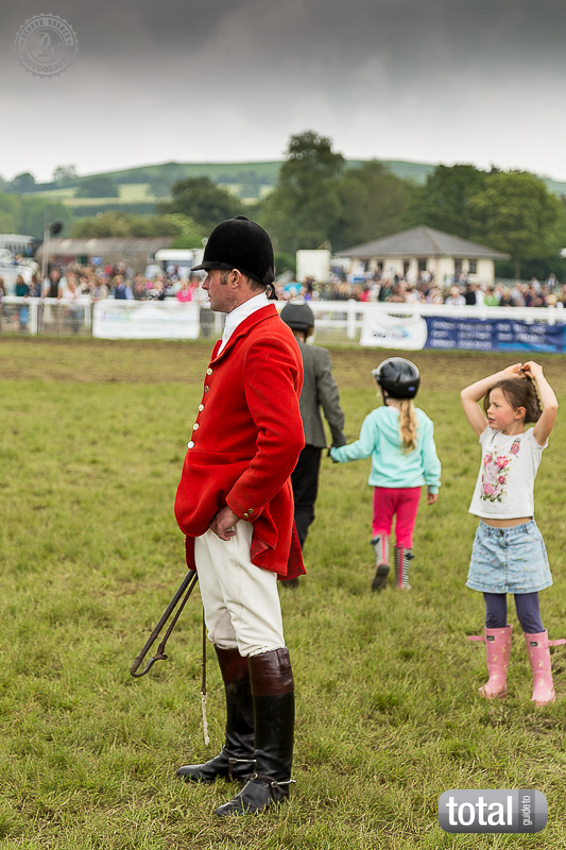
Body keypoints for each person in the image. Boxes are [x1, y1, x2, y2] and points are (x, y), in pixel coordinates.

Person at [173, 216, 305, 817]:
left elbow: (284, 441)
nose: (203, 285)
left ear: (234, 276)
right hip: (214, 511)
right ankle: (240, 752)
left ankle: (272, 779)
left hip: (237, 514)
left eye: (209, 275)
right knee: (225, 628)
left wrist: (237, 504)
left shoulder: (268, 339)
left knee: (258, 633)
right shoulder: (241, 331)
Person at [461, 362, 563, 706]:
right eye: (489, 405)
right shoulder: (487, 436)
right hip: (487, 538)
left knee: (528, 614)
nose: (488, 410)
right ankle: (497, 679)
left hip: (521, 539)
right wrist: (503, 376)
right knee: (493, 613)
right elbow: (466, 395)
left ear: (519, 413)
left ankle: (543, 683)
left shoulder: (532, 441)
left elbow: (551, 407)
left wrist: (538, 375)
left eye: (497, 405)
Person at [330, 358, 441, 592]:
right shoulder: (424, 420)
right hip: (412, 488)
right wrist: (433, 484)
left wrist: (338, 454)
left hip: (384, 487)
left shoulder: (376, 418)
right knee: (405, 532)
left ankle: (382, 561)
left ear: (384, 390)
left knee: (381, 525)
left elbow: (362, 449)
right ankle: (402, 583)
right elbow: (430, 458)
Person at [280, 301, 346, 584]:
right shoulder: (319, 356)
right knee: (303, 504)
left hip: (273, 440)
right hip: (309, 440)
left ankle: (268, 558)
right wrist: (339, 437)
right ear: (310, 329)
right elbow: (330, 400)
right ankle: (290, 566)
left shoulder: (273, 349)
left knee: (273, 503)